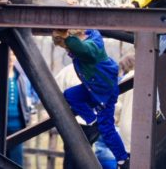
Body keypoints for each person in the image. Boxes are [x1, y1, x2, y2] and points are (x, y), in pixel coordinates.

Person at [52, 29, 130, 169]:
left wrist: (67, 38)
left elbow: (83, 50)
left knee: (107, 129)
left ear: (74, 39)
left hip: (105, 94)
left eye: (67, 47)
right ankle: (92, 121)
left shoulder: (91, 46)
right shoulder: (90, 36)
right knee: (71, 95)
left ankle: (123, 159)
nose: (68, 50)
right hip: (92, 89)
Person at [6, 50, 31, 166]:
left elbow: (27, 98)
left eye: (13, 54)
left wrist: (28, 115)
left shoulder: (20, 77)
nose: (11, 58)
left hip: (17, 127)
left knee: (16, 162)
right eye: (8, 55)